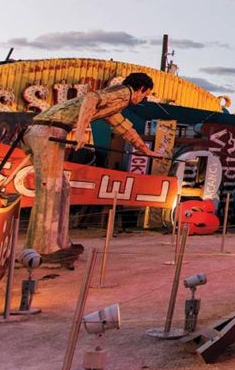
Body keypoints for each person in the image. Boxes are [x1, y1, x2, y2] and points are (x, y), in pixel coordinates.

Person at [22, 72, 163, 255]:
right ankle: (45, 248)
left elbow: (124, 128)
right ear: (141, 89)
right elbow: (90, 98)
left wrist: (146, 151)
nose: (144, 98)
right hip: (50, 131)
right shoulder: (124, 92)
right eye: (145, 94)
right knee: (51, 189)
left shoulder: (114, 104)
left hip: (43, 131)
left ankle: (60, 243)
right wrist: (81, 131)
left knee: (62, 188)